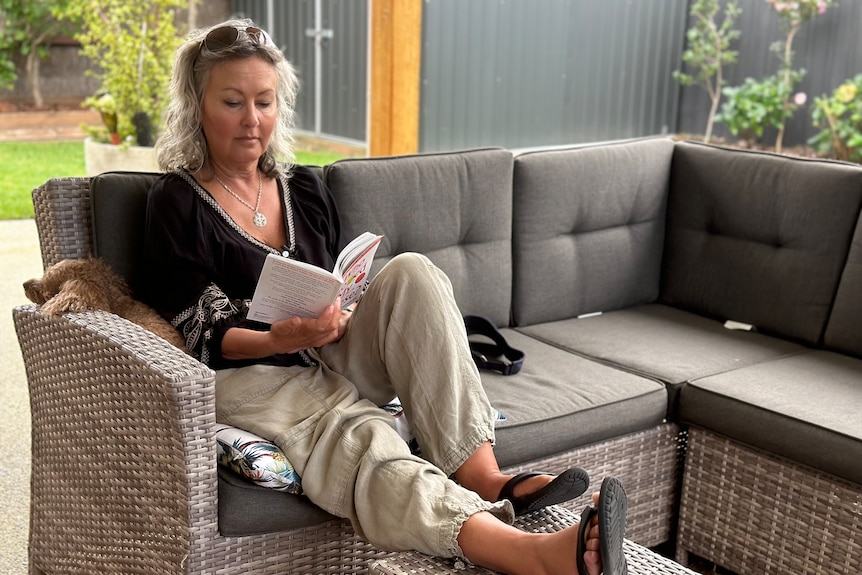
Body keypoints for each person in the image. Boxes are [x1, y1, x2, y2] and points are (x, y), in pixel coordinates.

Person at [142, 18, 629, 575]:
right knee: (361, 433)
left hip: (324, 350)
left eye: (264, 102)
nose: (252, 120)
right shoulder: (176, 202)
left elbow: (334, 282)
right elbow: (202, 336)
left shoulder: (303, 189)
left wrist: (342, 311)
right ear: (197, 106)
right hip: (250, 376)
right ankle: (535, 556)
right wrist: (280, 337)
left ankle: (481, 472)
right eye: (232, 102)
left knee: (412, 273)